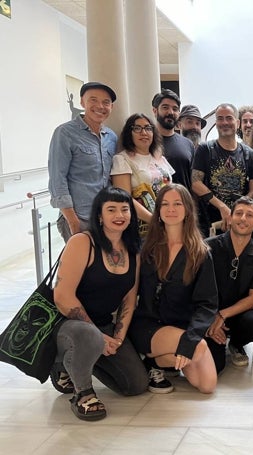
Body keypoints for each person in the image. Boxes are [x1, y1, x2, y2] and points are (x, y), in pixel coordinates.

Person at [51, 187, 148, 421]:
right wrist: (97, 336)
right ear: (99, 216)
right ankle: (82, 392)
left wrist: (118, 338)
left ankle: (75, 363)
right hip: (67, 325)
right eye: (111, 209)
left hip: (102, 326)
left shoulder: (133, 252)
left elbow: (129, 299)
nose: (119, 214)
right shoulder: (82, 242)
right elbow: (63, 296)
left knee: (135, 385)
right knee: (88, 337)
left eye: (125, 209)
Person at [129, 184, 219, 394]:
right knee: (200, 348)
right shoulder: (145, 248)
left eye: (177, 204)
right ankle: (159, 356)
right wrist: (193, 344)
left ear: (188, 209)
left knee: (206, 385)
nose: (171, 209)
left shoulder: (200, 252)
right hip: (148, 324)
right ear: (158, 210)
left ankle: (155, 361)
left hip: (180, 326)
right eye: (165, 204)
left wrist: (190, 337)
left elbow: (208, 305)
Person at [48, 82, 118, 242]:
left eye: (106, 102)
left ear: (111, 107)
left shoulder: (111, 137)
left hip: (105, 217)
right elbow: (57, 179)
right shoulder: (65, 133)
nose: (100, 106)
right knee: (81, 265)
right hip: (79, 217)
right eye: (93, 100)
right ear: (82, 102)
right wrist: (73, 222)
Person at [206, 197, 253, 370]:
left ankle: (236, 344)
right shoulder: (208, 247)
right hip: (207, 313)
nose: (243, 219)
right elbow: (195, 291)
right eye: (239, 213)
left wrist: (222, 315)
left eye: (249, 215)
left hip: (237, 313)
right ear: (230, 218)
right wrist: (211, 318)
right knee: (215, 366)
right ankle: (213, 338)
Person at [191, 103, 253, 236]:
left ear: (237, 122)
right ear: (216, 123)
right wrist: (222, 206)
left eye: (229, 118)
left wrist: (237, 210)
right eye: (220, 118)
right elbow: (195, 183)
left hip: (239, 222)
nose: (224, 122)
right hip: (209, 223)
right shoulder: (205, 149)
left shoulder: (249, 154)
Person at [111, 113, 174, 236]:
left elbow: (172, 189)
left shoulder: (160, 158)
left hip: (167, 223)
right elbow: (125, 199)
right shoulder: (122, 159)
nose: (144, 133)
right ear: (129, 133)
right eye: (137, 128)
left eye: (148, 128)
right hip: (142, 228)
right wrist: (155, 221)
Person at [152, 89, 195, 190]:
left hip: (184, 203)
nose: (170, 112)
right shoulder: (146, 142)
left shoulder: (188, 144)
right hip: (154, 204)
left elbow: (193, 182)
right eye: (165, 107)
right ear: (155, 111)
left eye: (175, 109)